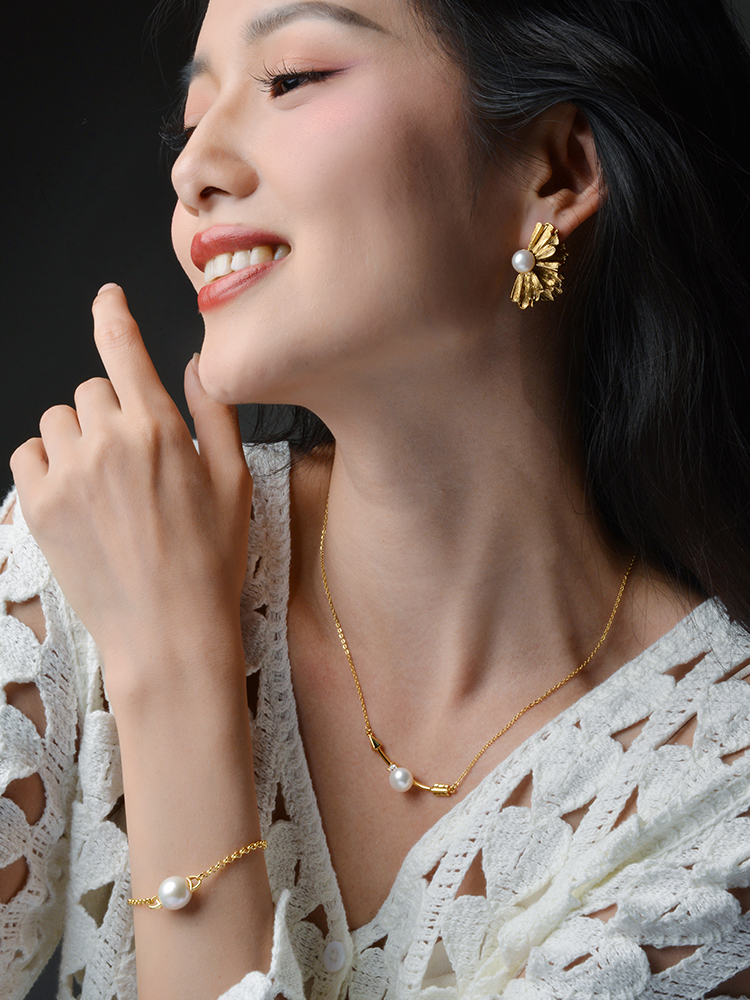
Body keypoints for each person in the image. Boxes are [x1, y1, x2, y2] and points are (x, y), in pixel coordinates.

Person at [2, 0, 750, 996]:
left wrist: (175, 677)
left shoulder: (717, 806)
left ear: (556, 170)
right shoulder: (104, 546)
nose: (193, 170)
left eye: (292, 79)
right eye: (192, 116)